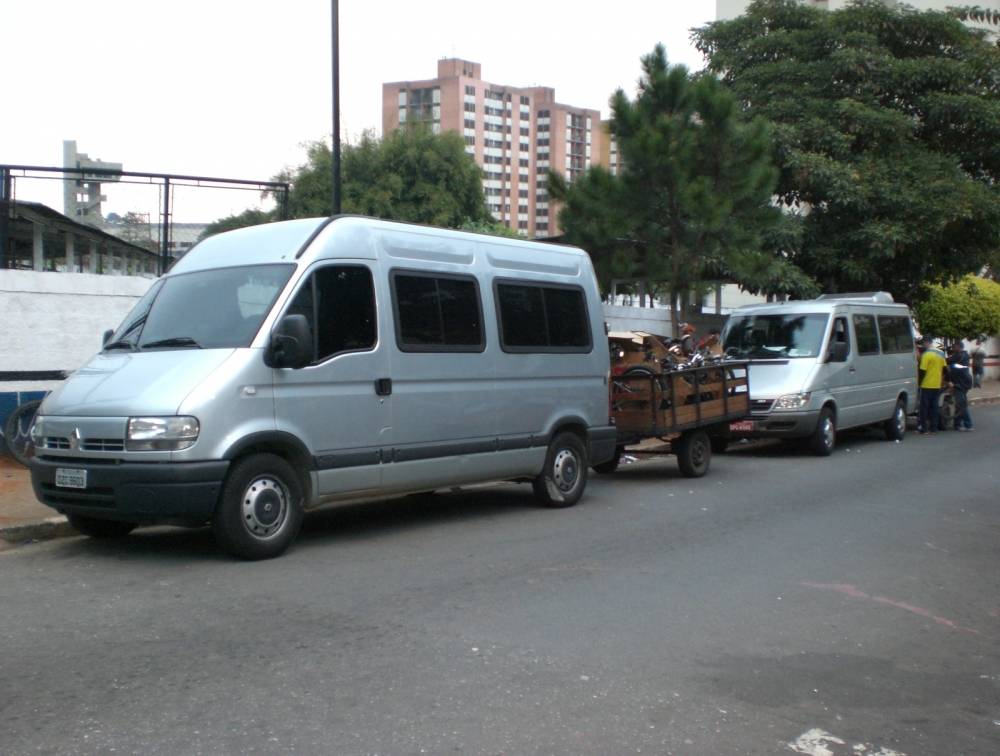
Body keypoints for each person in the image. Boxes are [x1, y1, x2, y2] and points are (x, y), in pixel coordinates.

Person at [917, 338, 947, 435]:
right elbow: (945, 369)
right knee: (934, 407)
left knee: (924, 408)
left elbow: (922, 371)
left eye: (923, 343)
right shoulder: (940, 353)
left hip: (926, 384)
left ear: (927, 342)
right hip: (937, 385)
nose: (923, 345)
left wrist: (919, 383)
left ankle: (924, 429)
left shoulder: (926, 355)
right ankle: (934, 428)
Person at [948, 341, 974, 431]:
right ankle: (957, 424)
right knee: (959, 403)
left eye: (954, 347)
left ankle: (968, 424)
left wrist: (949, 380)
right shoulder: (965, 355)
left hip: (960, 383)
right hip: (966, 381)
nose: (953, 349)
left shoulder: (958, 356)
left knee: (961, 404)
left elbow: (951, 366)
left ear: (959, 347)